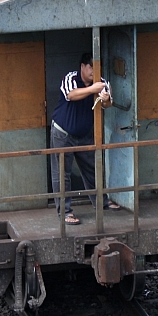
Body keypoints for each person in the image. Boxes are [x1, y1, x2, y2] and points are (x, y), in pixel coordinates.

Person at [49, 52, 122, 225]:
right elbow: (71, 95)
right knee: (62, 174)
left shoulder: (102, 82)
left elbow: (108, 103)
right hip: (63, 134)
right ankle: (65, 212)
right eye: (90, 67)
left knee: (92, 169)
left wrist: (104, 99)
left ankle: (102, 202)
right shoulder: (71, 78)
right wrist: (93, 90)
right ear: (82, 67)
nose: (93, 71)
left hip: (85, 135)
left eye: (97, 68)